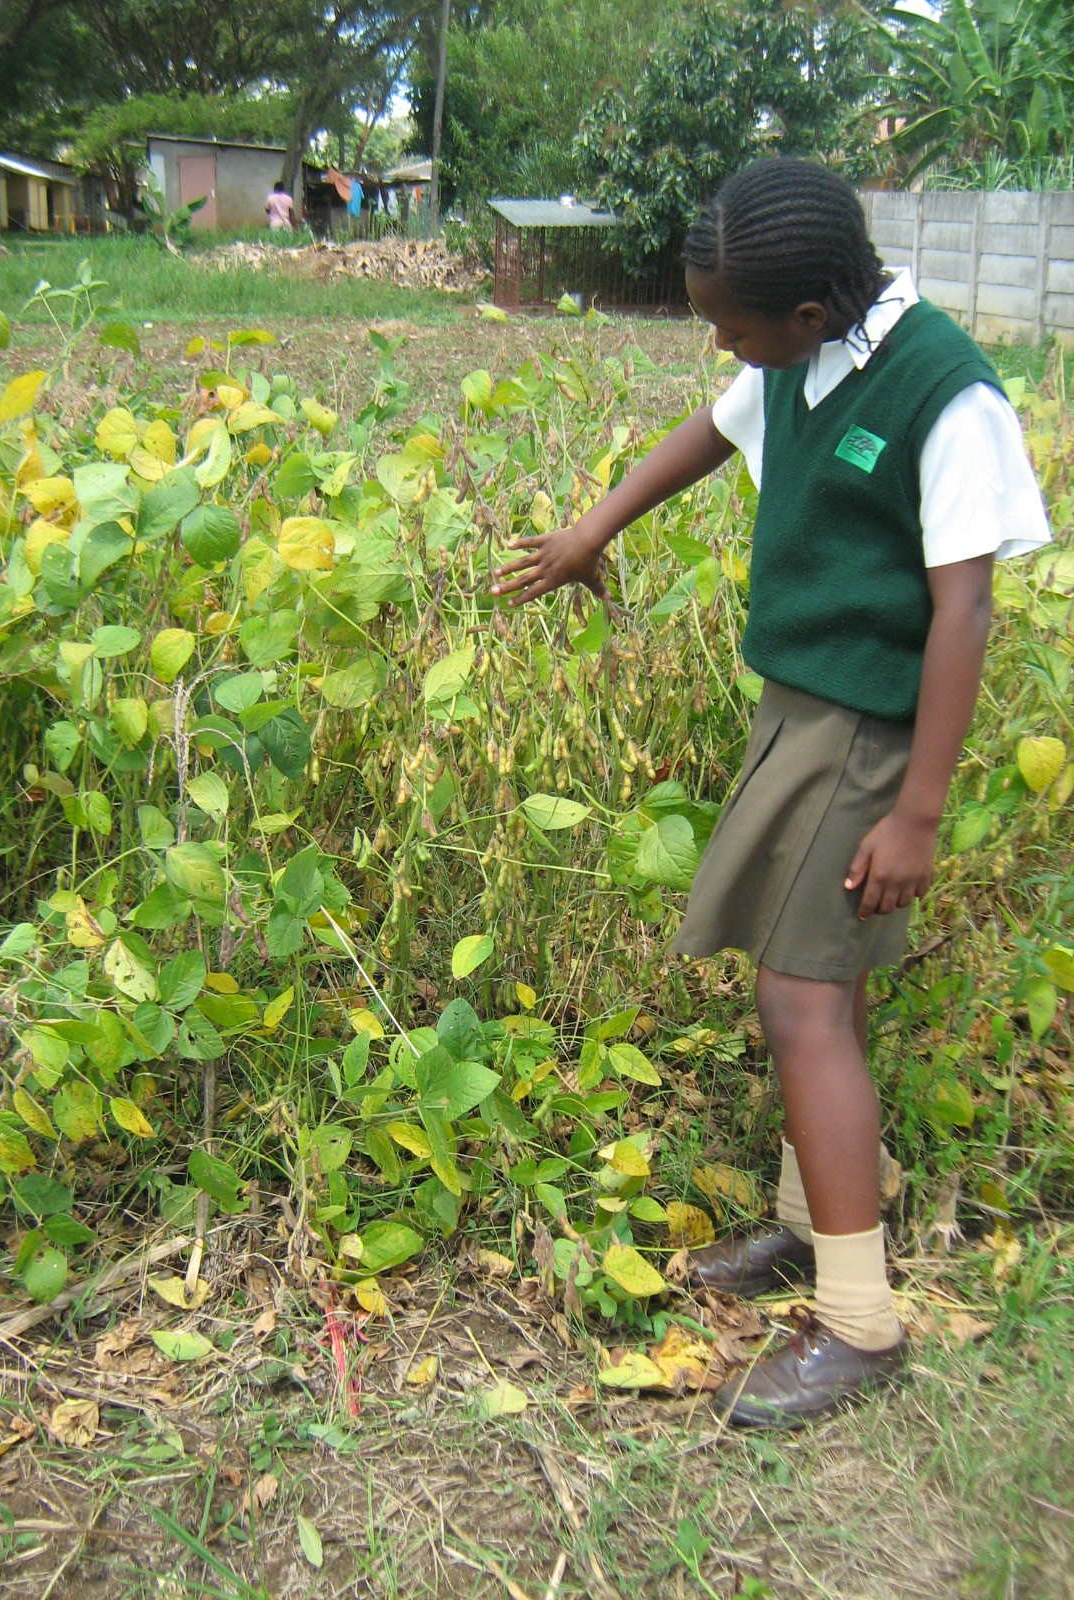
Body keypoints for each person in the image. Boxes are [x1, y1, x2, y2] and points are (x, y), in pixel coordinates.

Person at [490, 158, 1050, 1428]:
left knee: (799, 995)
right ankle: (819, 1219)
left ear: (806, 315)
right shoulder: (804, 357)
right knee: (819, 980)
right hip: (799, 711)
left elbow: (964, 609)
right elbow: (712, 428)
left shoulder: (943, 394)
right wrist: (596, 525)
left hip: (868, 734)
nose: (718, 343)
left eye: (730, 324)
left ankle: (860, 1322)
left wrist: (916, 809)